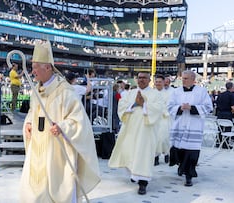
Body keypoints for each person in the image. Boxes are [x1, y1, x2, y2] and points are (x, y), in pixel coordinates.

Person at [20, 40, 100, 202]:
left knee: (60, 188)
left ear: (48, 67)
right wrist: (28, 122)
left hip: (57, 151)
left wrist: (63, 127)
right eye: (32, 66)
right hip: (38, 148)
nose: (33, 70)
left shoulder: (65, 92)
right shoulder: (36, 91)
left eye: (36, 66)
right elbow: (32, 111)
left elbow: (79, 121)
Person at [108, 72, 163, 195]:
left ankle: (143, 183)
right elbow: (121, 106)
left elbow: (158, 109)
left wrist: (144, 104)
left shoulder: (156, 94)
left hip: (146, 131)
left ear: (150, 80)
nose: (141, 80)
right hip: (131, 129)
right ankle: (135, 174)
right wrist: (135, 104)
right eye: (139, 78)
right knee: (131, 152)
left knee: (143, 155)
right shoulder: (130, 93)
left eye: (144, 78)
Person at [168, 70, 213, 187]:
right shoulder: (176, 91)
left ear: (193, 79)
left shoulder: (202, 91)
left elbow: (208, 107)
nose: (183, 80)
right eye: (182, 78)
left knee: (191, 152)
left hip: (194, 125)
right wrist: (180, 108)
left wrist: (192, 108)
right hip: (179, 124)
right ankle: (181, 166)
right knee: (180, 150)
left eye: (186, 78)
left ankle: (189, 176)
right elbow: (169, 106)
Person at [153, 74, 171, 166]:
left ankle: (167, 153)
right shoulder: (151, 93)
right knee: (155, 139)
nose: (158, 83)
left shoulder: (169, 94)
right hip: (154, 119)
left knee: (164, 138)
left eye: (160, 82)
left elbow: (168, 106)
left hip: (164, 118)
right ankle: (155, 157)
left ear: (164, 82)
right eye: (157, 82)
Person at [215, 82, 234, 149]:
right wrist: (232, 112)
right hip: (227, 113)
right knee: (227, 129)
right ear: (232, 87)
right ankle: (225, 144)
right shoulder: (232, 95)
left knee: (220, 129)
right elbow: (233, 107)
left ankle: (218, 142)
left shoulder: (220, 94)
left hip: (220, 113)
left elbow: (216, 104)